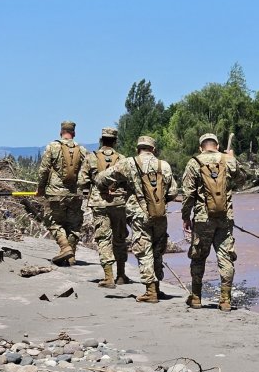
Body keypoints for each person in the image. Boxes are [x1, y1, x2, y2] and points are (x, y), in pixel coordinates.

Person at [95, 135, 178, 303]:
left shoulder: (129, 163)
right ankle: (157, 287)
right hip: (160, 214)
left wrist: (104, 187)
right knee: (157, 251)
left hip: (139, 214)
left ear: (137, 149)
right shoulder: (165, 165)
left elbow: (102, 178)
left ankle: (150, 290)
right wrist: (160, 201)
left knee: (143, 249)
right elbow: (173, 192)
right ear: (154, 150)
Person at [180, 133, 247, 311]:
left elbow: (188, 194)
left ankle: (196, 297)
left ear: (201, 147)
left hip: (203, 218)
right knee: (225, 257)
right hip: (225, 217)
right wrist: (233, 158)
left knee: (198, 257)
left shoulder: (194, 162)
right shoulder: (228, 159)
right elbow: (242, 181)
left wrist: (186, 216)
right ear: (217, 146)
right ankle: (225, 299)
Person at [78, 127, 129, 288]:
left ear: (101, 140)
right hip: (118, 203)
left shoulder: (91, 158)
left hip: (99, 203)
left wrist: (90, 187)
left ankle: (109, 276)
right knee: (120, 238)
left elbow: (81, 181)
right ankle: (121, 274)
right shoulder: (122, 159)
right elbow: (129, 181)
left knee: (103, 238)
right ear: (115, 141)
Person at [36, 120, 89, 266]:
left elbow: (43, 170)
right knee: (74, 225)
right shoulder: (83, 150)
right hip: (75, 195)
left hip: (55, 194)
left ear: (61, 132)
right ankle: (70, 257)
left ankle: (65, 247)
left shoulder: (52, 147)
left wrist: (40, 189)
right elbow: (88, 172)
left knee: (51, 220)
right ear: (74, 133)